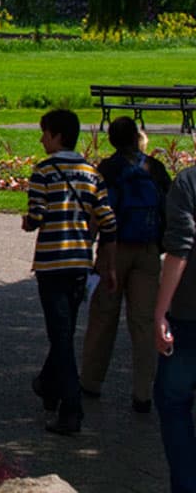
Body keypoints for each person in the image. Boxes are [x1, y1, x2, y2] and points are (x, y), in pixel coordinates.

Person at [22, 109, 117, 435]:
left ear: (57, 135)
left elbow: (36, 214)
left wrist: (28, 222)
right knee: (64, 332)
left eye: (44, 133)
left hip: (51, 263)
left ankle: (71, 407)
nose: (41, 138)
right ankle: (48, 385)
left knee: (60, 336)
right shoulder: (92, 172)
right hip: (79, 261)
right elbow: (108, 221)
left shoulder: (43, 171)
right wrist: (108, 263)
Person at [81, 117, 171, 413]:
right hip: (147, 250)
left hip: (114, 249)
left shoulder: (107, 169)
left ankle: (91, 381)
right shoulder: (155, 169)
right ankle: (143, 392)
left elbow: (97, 212)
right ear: (136, 137)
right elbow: (167, 209)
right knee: (144, 322)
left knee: (103, 317)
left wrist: (91, 246)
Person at [155, 164, 196, 492]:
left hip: (188, 313)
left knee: (173, 401)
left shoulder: (188, 182)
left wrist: (160, 310)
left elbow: (179, 247)